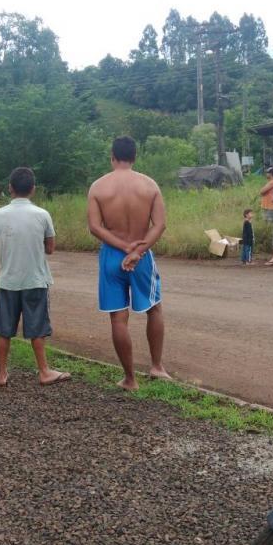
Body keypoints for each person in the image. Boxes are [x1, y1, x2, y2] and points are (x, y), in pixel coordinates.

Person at [87, 136, 170, 391]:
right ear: (134, 157)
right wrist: (138, 250)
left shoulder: (98, 187)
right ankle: (156, 366)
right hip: (141, 255)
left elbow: (95, 227)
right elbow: (160, 225)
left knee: (118, 318)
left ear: (112, 156)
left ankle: (130, 379)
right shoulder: (149, 185)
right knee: (154, 309)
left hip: (112, 255)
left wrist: (123, 248)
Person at [0, 167, 71, 387]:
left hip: (8, 280)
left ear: (10, 188)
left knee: (4, 329)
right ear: (33, 189)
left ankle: (1, 374)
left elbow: (2, 240)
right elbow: (50, 248)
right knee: (37, 328)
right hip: (35, 279)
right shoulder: (42, 215)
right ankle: (44, 371)